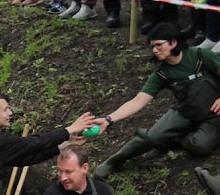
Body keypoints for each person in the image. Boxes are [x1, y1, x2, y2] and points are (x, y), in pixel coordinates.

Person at [94, 23, 220, 178]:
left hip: (213, 113)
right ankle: (113, 161)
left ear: (173, 43)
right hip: (185, 112)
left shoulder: (201, 55)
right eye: (152, 46)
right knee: (153, 137)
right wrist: (108, 119)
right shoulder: (162, 74)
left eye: (159, 45)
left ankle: (175, 137)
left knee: (202, 146)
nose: (155, 50)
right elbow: (138, 101)